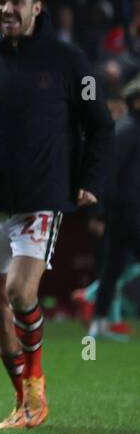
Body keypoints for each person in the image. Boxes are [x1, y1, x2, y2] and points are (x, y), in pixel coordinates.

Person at [0, 0, 114, 429]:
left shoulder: (67, 60)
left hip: (42, 196)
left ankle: (36, 385)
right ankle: (21, 400)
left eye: (16, 1)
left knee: (20, 291)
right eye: (0, 1)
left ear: (37, 7)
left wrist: (91, 180)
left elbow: (101, 124)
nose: (6, 10)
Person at [90, 75, 140, 339]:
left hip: (122, 210)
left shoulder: (129, 128)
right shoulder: (128, 130)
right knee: (113, 266)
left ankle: (98, 323)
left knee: (113, 266)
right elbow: (109, 173)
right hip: (127, 211)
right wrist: (100, 212)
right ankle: (97, 320)